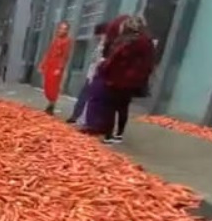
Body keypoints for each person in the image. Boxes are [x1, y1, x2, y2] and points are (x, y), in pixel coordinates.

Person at [98, 15, 156, 144]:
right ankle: (119, 134)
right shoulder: (147, 42)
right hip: (132, 81)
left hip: (117, 77)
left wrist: (103, 68)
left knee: (111, 107)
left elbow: (113, 58)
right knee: (123, 107)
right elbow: (149, 63)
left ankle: (108, 135)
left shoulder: (125, 40)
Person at [66, 22, 109, 125]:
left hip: (96, 76)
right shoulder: (102, 45)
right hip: (92, 75)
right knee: (85, 96)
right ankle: (77, 116)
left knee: (87, 97)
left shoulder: (106, 45)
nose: (99, 38)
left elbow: (99, 61)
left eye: (100, 35)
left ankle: (79, 117)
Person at [39, 22, 72, 115]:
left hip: (57, 66)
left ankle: (51, 106)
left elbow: (65, 56)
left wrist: (59, 68)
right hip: (50, 64)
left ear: (67, 30)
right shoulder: (55, 39)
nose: (62, 30)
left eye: (64, 29)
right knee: (47, 85)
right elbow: (48, 52)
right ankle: (50, 104)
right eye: (61, 28)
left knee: (53, 87)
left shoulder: (68, 41)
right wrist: (43, 64)